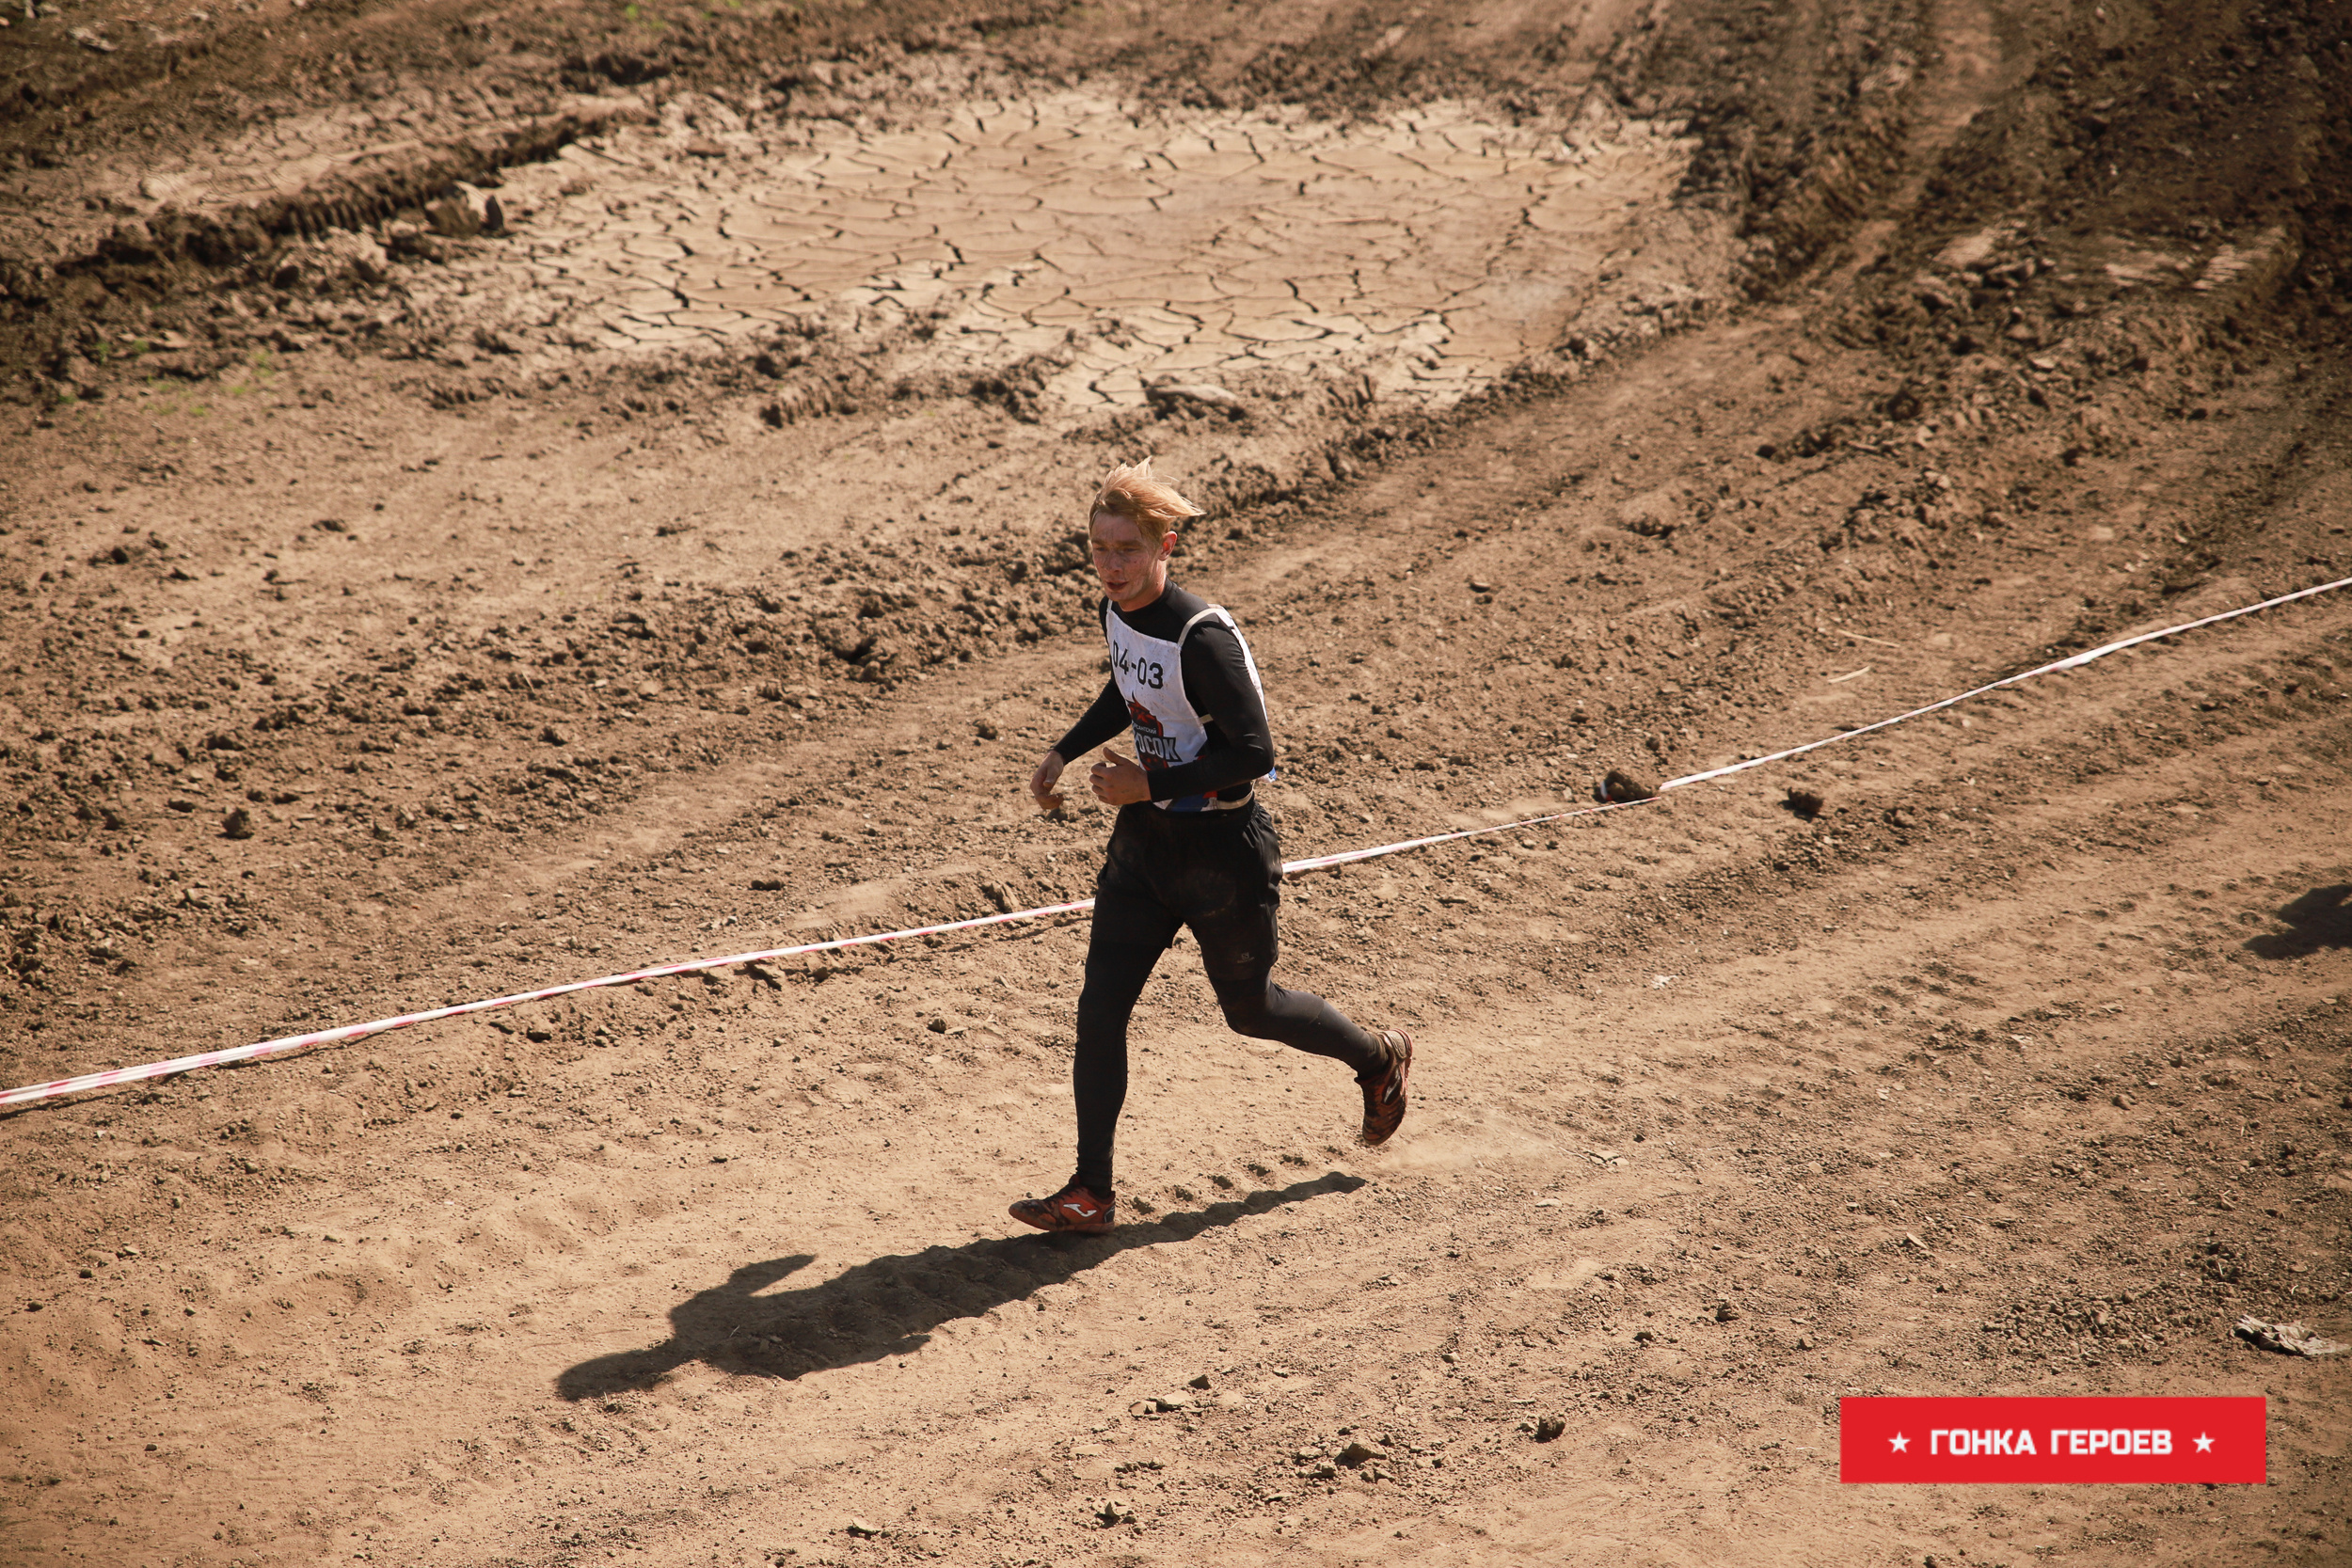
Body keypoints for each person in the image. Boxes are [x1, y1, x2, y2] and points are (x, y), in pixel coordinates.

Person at [1011, 460, 1411, 1235]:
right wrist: (1064, 750)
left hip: (1223, 853)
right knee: (1100, 1012)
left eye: (1126, 548)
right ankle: (1091, 1190)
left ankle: (1376, 1058)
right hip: (1145, 850)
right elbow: (1126, 687)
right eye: (1098, 548)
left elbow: (1255, 753)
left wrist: (1148, 783)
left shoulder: (1205, 637)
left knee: (1251, 1009)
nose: (1112, 565)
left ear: (1166, 545)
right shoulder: (1116, 611)